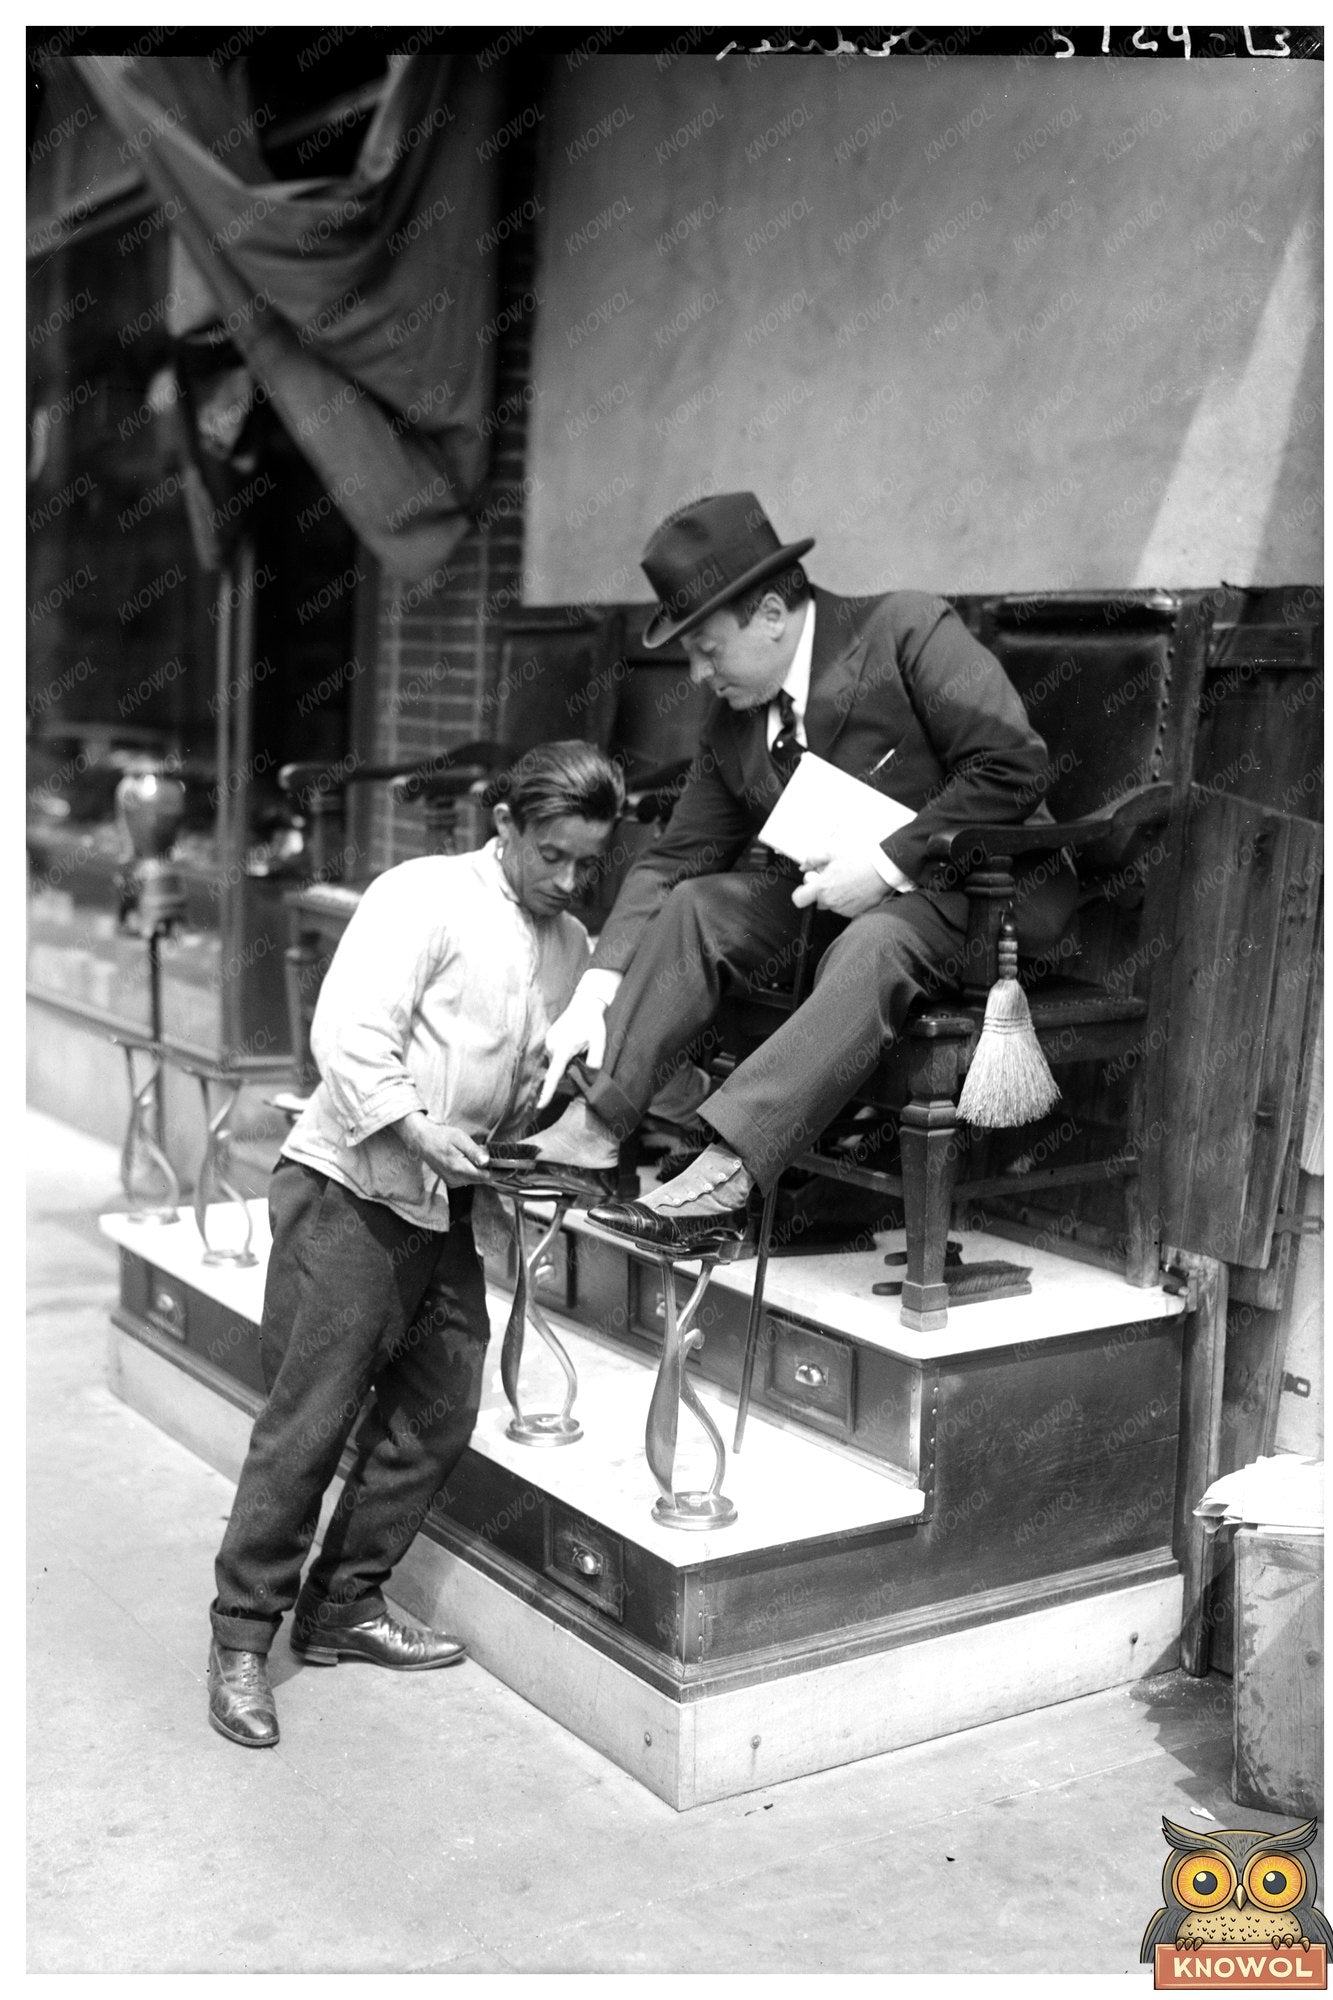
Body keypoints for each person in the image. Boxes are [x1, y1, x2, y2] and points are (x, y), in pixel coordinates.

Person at [207, 741, 624, 1747]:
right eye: (552, 854)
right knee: (309, 1422)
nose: (567, 879)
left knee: (438, 1409)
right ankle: (238, 1643)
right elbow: (347, 1033)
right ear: (507, 825)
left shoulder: (571, 941)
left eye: (585, 863)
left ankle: (344, 1602)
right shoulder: (423, 894)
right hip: (351, 1185)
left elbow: (551, 1066)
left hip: (443, 1205)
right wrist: (413, 1124)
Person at [523, 492, 1075, 1243]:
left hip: (983, 896)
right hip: (841, 905)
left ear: (774, 616)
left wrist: (885, 864)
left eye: (708, 648)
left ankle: (732, 1166)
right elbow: (678, 857)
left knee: (874, 943)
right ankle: (595, 1126)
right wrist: (597, 984)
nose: (696, 671)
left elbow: (1013, 766)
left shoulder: (906, 630)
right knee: (698, 906)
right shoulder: (736, 719)